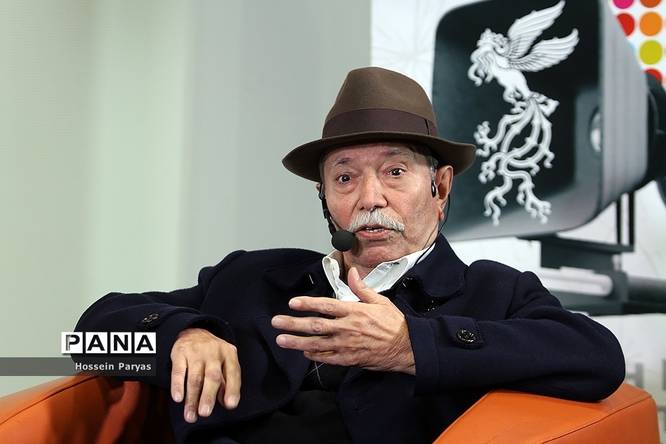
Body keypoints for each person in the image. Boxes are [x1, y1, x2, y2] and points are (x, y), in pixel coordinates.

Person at [75, 66, 625, 444]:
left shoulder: (491, 291)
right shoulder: (252, 276)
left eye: (395, 171)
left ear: (440, 187)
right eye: (344, 178)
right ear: (324, 197)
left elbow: (597, 359)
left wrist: (410, 346)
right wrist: (182, 335)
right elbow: (88, 342)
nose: (369, 198)